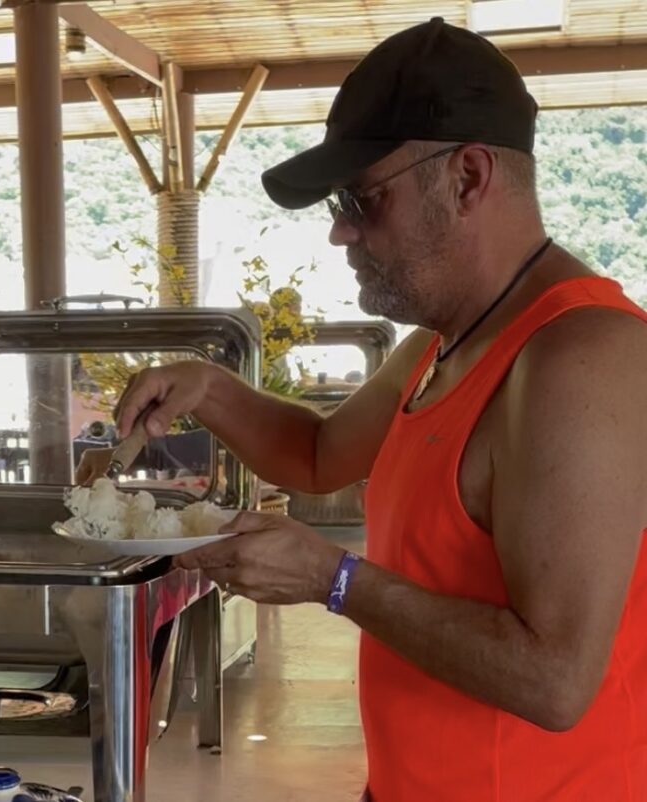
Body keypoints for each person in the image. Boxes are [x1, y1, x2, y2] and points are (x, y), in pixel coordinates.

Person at [110, 18, 647, 802]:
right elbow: (321, 454)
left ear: (467, 178)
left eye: (363, 199)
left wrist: (333, 579)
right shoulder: (443, 344)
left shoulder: (581, 355)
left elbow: (554, 678)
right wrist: (211, 388)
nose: (339, 231)